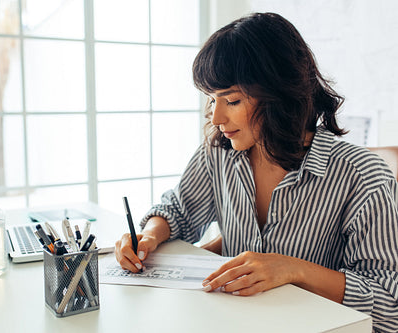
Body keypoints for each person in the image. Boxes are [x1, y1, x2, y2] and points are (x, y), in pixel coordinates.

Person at [114, 12, 398, 332]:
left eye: (232, 100)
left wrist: (294, 270)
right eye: (212, 100)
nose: (217, 117)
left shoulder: (363, 176)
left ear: (278, 93)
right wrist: (150, 235)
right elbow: (178, 211)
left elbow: (389, 304)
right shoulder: (219, 152)